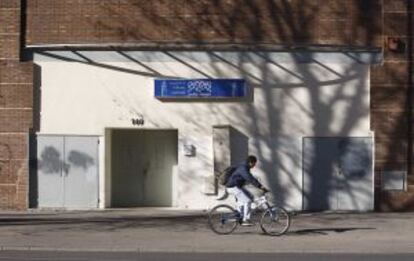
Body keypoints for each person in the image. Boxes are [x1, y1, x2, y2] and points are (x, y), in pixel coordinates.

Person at [225, 155, 268, 226]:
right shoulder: (243, 168)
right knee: (247, 201)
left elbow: (248, 178)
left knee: (250, 197)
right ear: (250, 162)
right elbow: (249, 178)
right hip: (233, 187)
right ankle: (246, 220)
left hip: (237, 186)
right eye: (254, 164)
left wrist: (257, 184)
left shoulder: (244, 167)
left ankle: (239, 215)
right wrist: (260, 186)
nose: (254, 166)